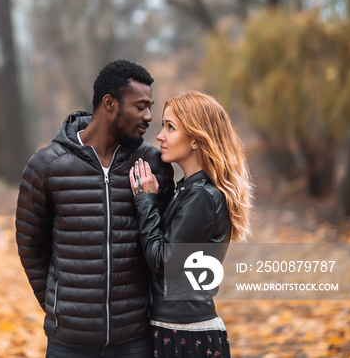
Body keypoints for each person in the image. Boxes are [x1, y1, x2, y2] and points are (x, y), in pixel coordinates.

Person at [15, 59, 174, 358]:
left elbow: (164, 247)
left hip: (134, 339)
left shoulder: (154, 166)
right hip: (69, 341)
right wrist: (58, 306)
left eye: (150, 106)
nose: (149, 116)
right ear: (110, 103)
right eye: (140, 106)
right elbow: (30, 246)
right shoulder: (46, 166)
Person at [129, 91, 252, 358]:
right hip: (177, 329)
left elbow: (163, 262)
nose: (160, 135)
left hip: (185, 336)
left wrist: (145, 200)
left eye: (170, 127)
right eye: (163, 125)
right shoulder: (190, 190)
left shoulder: (202, 196)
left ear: (196, 139)